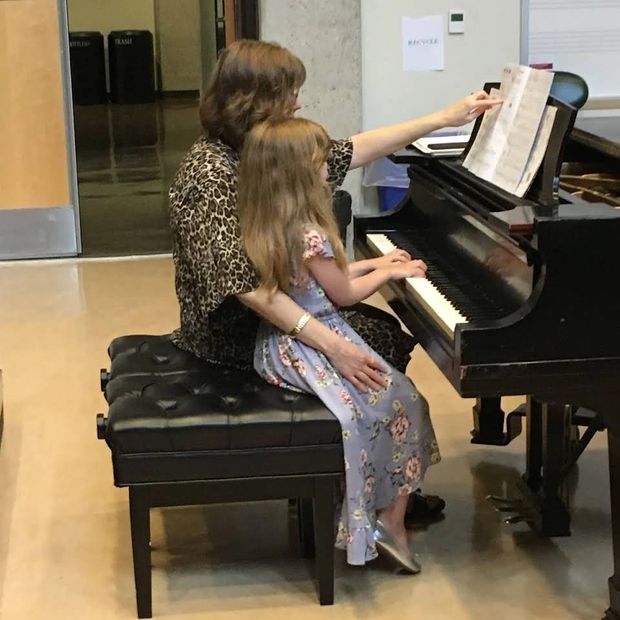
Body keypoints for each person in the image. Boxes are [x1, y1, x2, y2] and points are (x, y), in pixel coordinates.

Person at [168, 39, 500, 520]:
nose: (298, 102)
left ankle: (377, 479)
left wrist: (443, 118)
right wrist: (336, 347)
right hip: (236, 334)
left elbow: (352, 150)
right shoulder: (209, 174)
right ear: (254, 101)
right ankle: (366, 487)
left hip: (281, 309)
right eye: (288, 92)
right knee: (373, 343)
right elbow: (252, 292)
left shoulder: (261, 150)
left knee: (380, 335)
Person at [236, 116, 441, 571]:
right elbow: (341, 294)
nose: (330, 167)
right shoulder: (309, 232)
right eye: (321, 162)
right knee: (402, 398)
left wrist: (376, 263)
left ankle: (375, 509)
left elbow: (318, 282)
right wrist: (386, 273)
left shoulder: (266, 221)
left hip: (279, 343)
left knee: (384, 397)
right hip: (315, 341)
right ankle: (386, 519)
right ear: (298, 175)